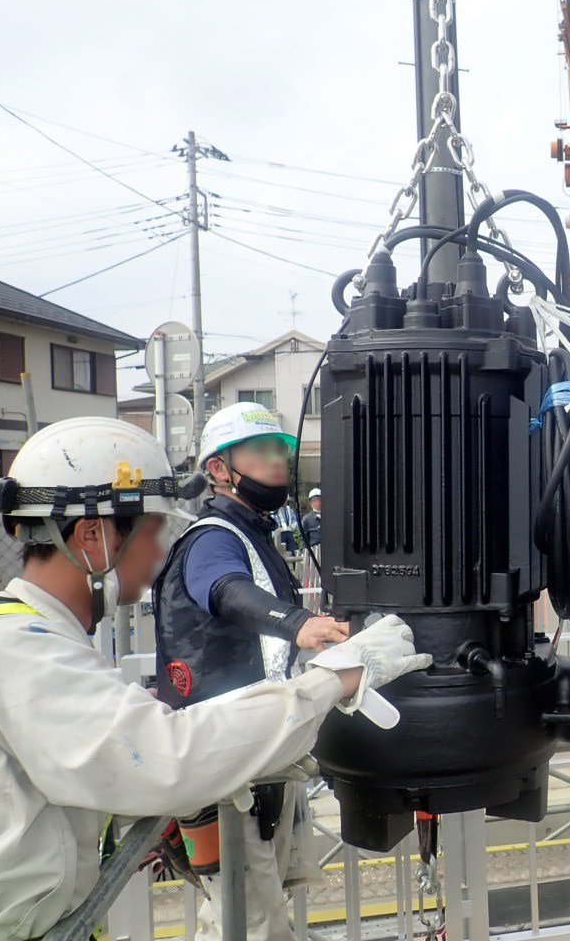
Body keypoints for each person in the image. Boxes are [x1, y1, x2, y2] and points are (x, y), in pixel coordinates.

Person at [0, 417, 431, 941]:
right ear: (92, 535)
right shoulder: (20, 649)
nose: (163, 552)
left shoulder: (30, 639)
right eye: (152, 531)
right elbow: (168, 757)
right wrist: (334, 678)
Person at [153, 403, 351, 941]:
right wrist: (297, 622)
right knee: (248, 922)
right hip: (225, 761)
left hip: (253, 754)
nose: (276, 460)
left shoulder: (252, 531)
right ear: (219, 469)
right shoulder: (213, 537)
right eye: (259, 450)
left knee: (243, 917)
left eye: (279, 449)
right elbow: (224, 590)